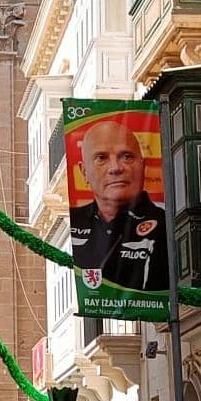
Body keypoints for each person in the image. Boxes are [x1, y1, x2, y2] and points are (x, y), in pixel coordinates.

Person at [68, 119, 168, 292]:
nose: (115, 168)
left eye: (127, 157)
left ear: (142, 166)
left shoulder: (167, 225)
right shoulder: (75, 221)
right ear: (84, 172)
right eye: (102, 158)